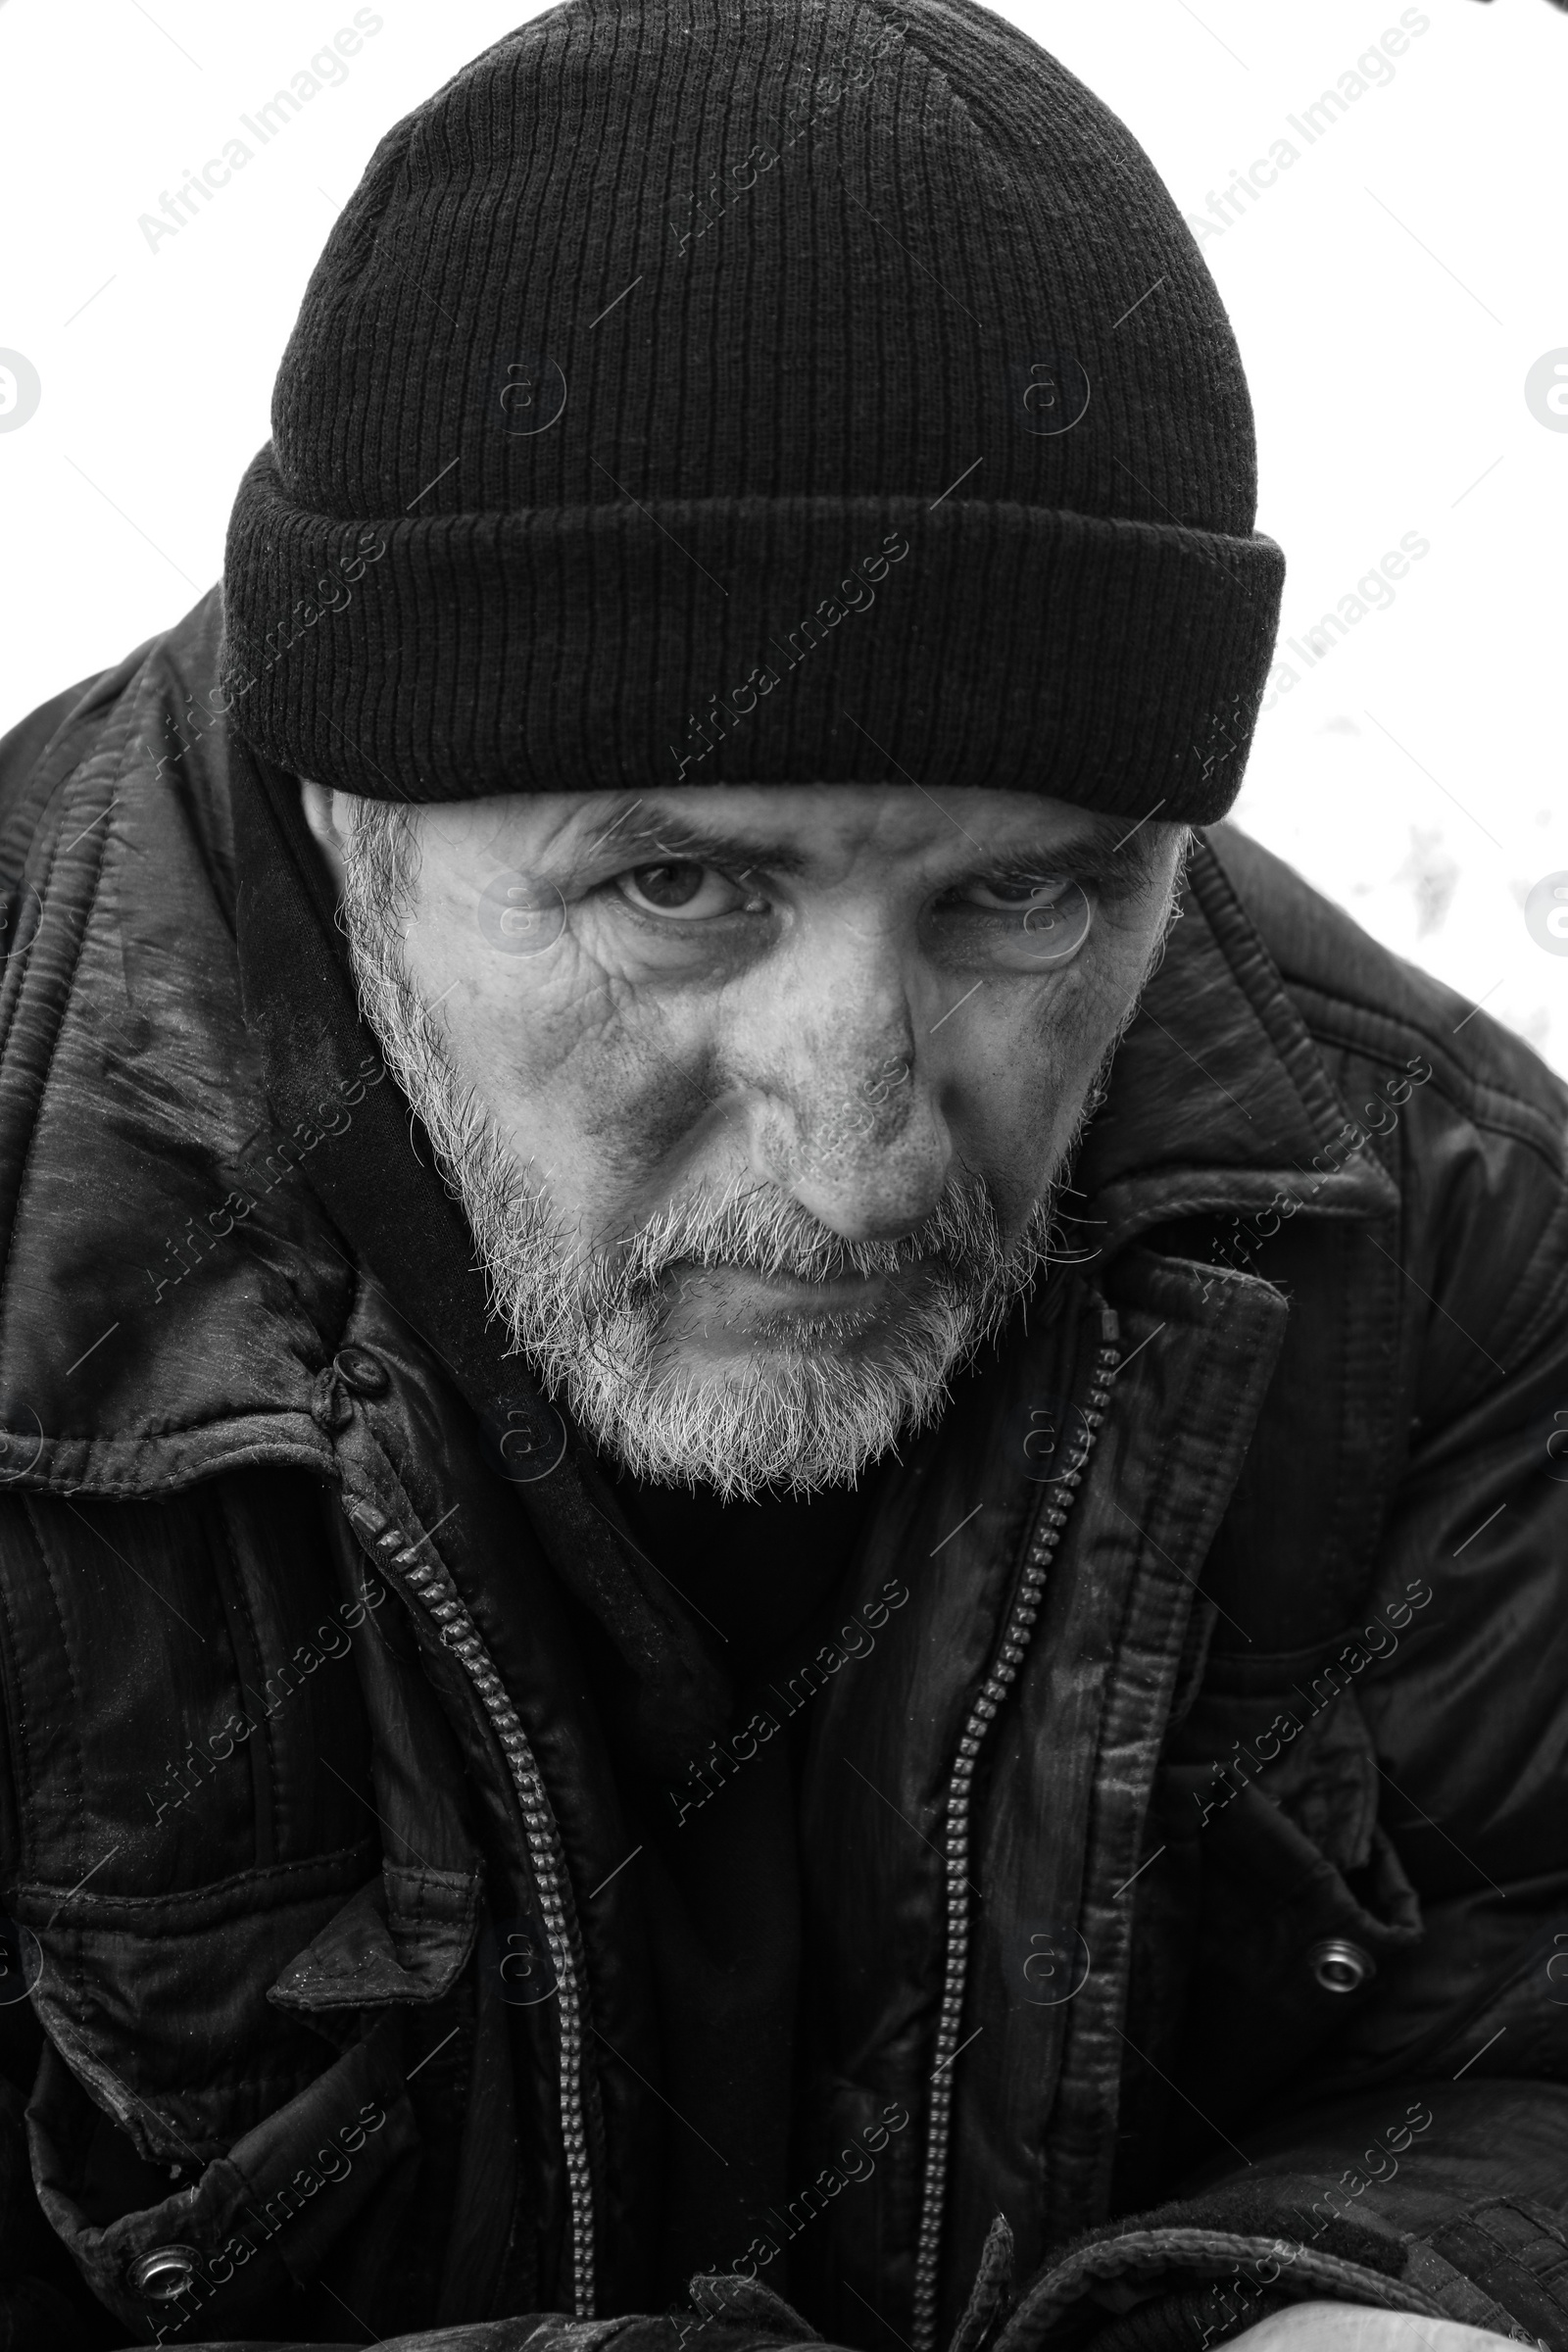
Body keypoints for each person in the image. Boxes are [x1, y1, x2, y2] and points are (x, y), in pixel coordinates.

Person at [0, 2, 1565, 2348]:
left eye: (1020, 901)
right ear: (346, 791)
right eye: (677, 892)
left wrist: (1376, 2292)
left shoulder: (1433, 1216)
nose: (855, 1154)